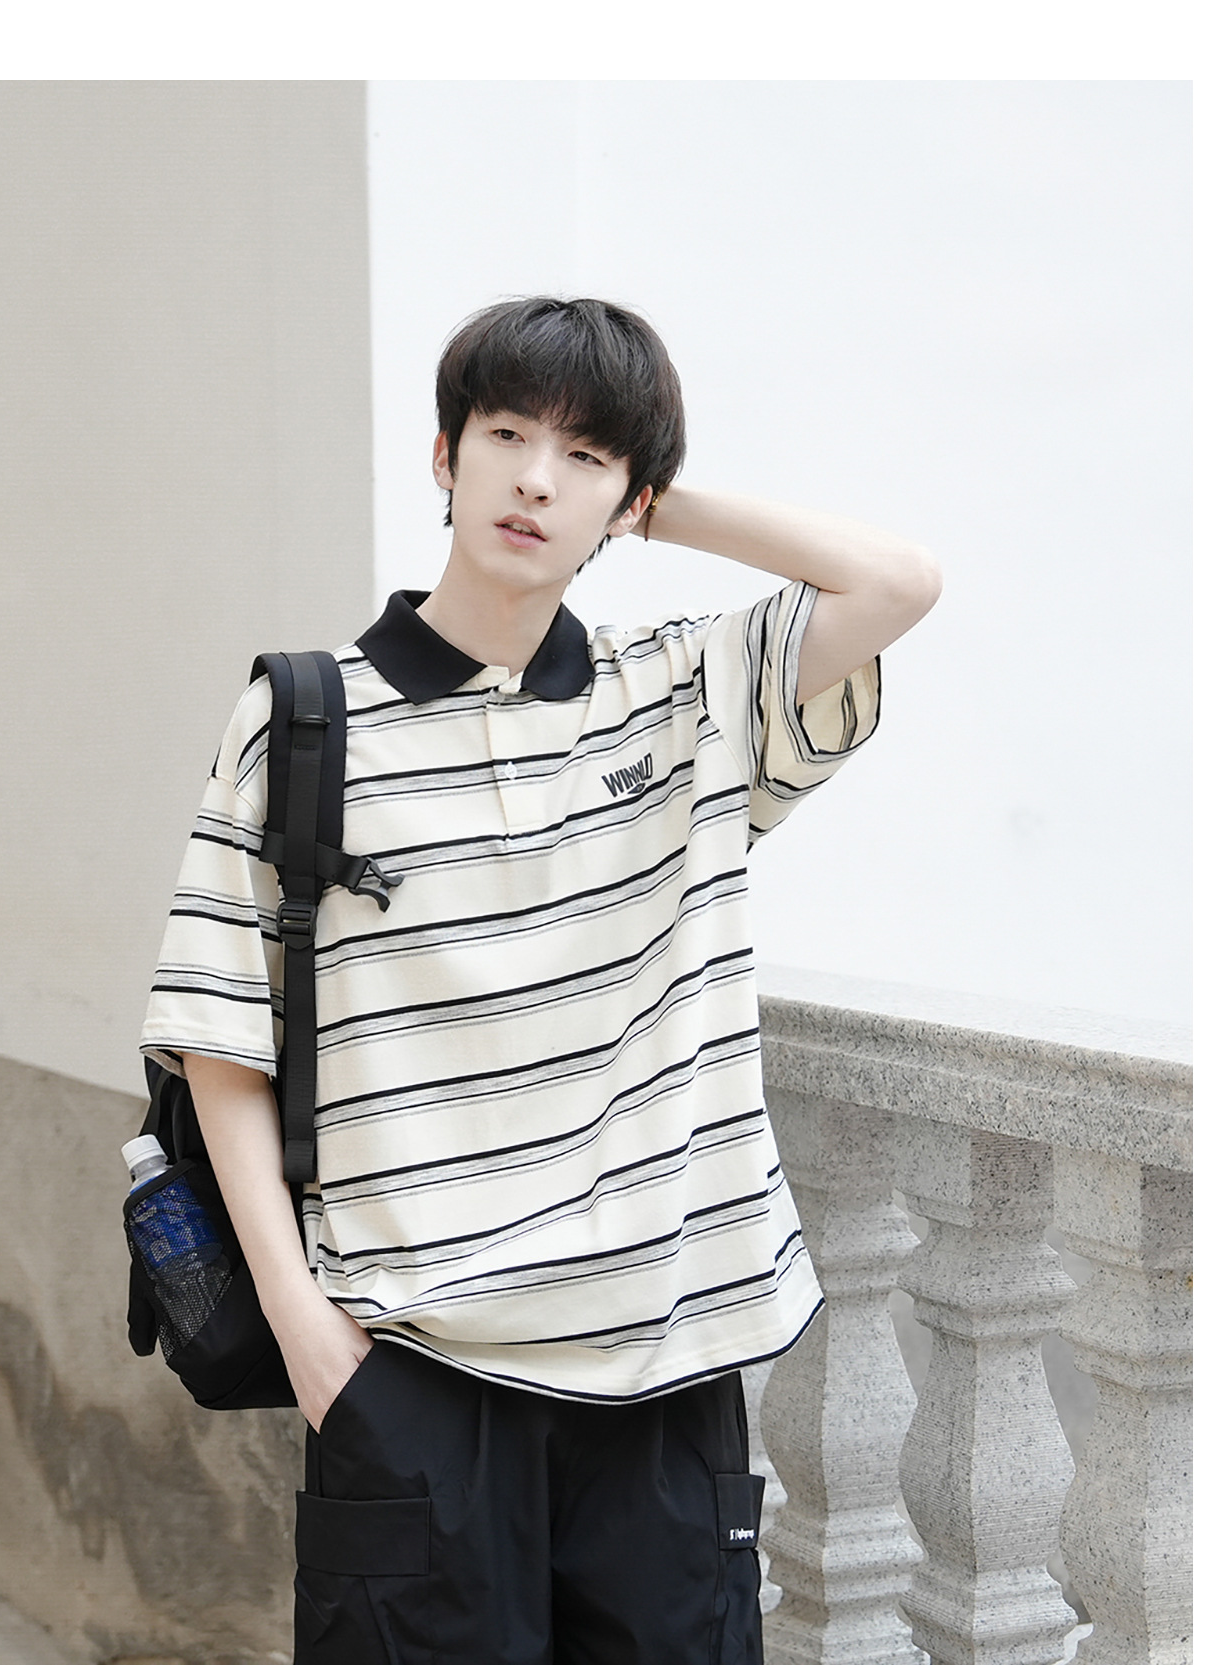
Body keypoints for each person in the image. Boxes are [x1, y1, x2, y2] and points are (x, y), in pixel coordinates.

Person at [141, 295, 941, 1663]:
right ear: (443, 454)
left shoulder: (687, 697)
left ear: (627, 497)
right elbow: (220, 1040)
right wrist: (308, 1334)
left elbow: (897, 584)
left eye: (582, 456)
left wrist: (651, 501)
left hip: (665, 1359)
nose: (534, 481)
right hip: (415, 1366)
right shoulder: (305, 718)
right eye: (507, 435)